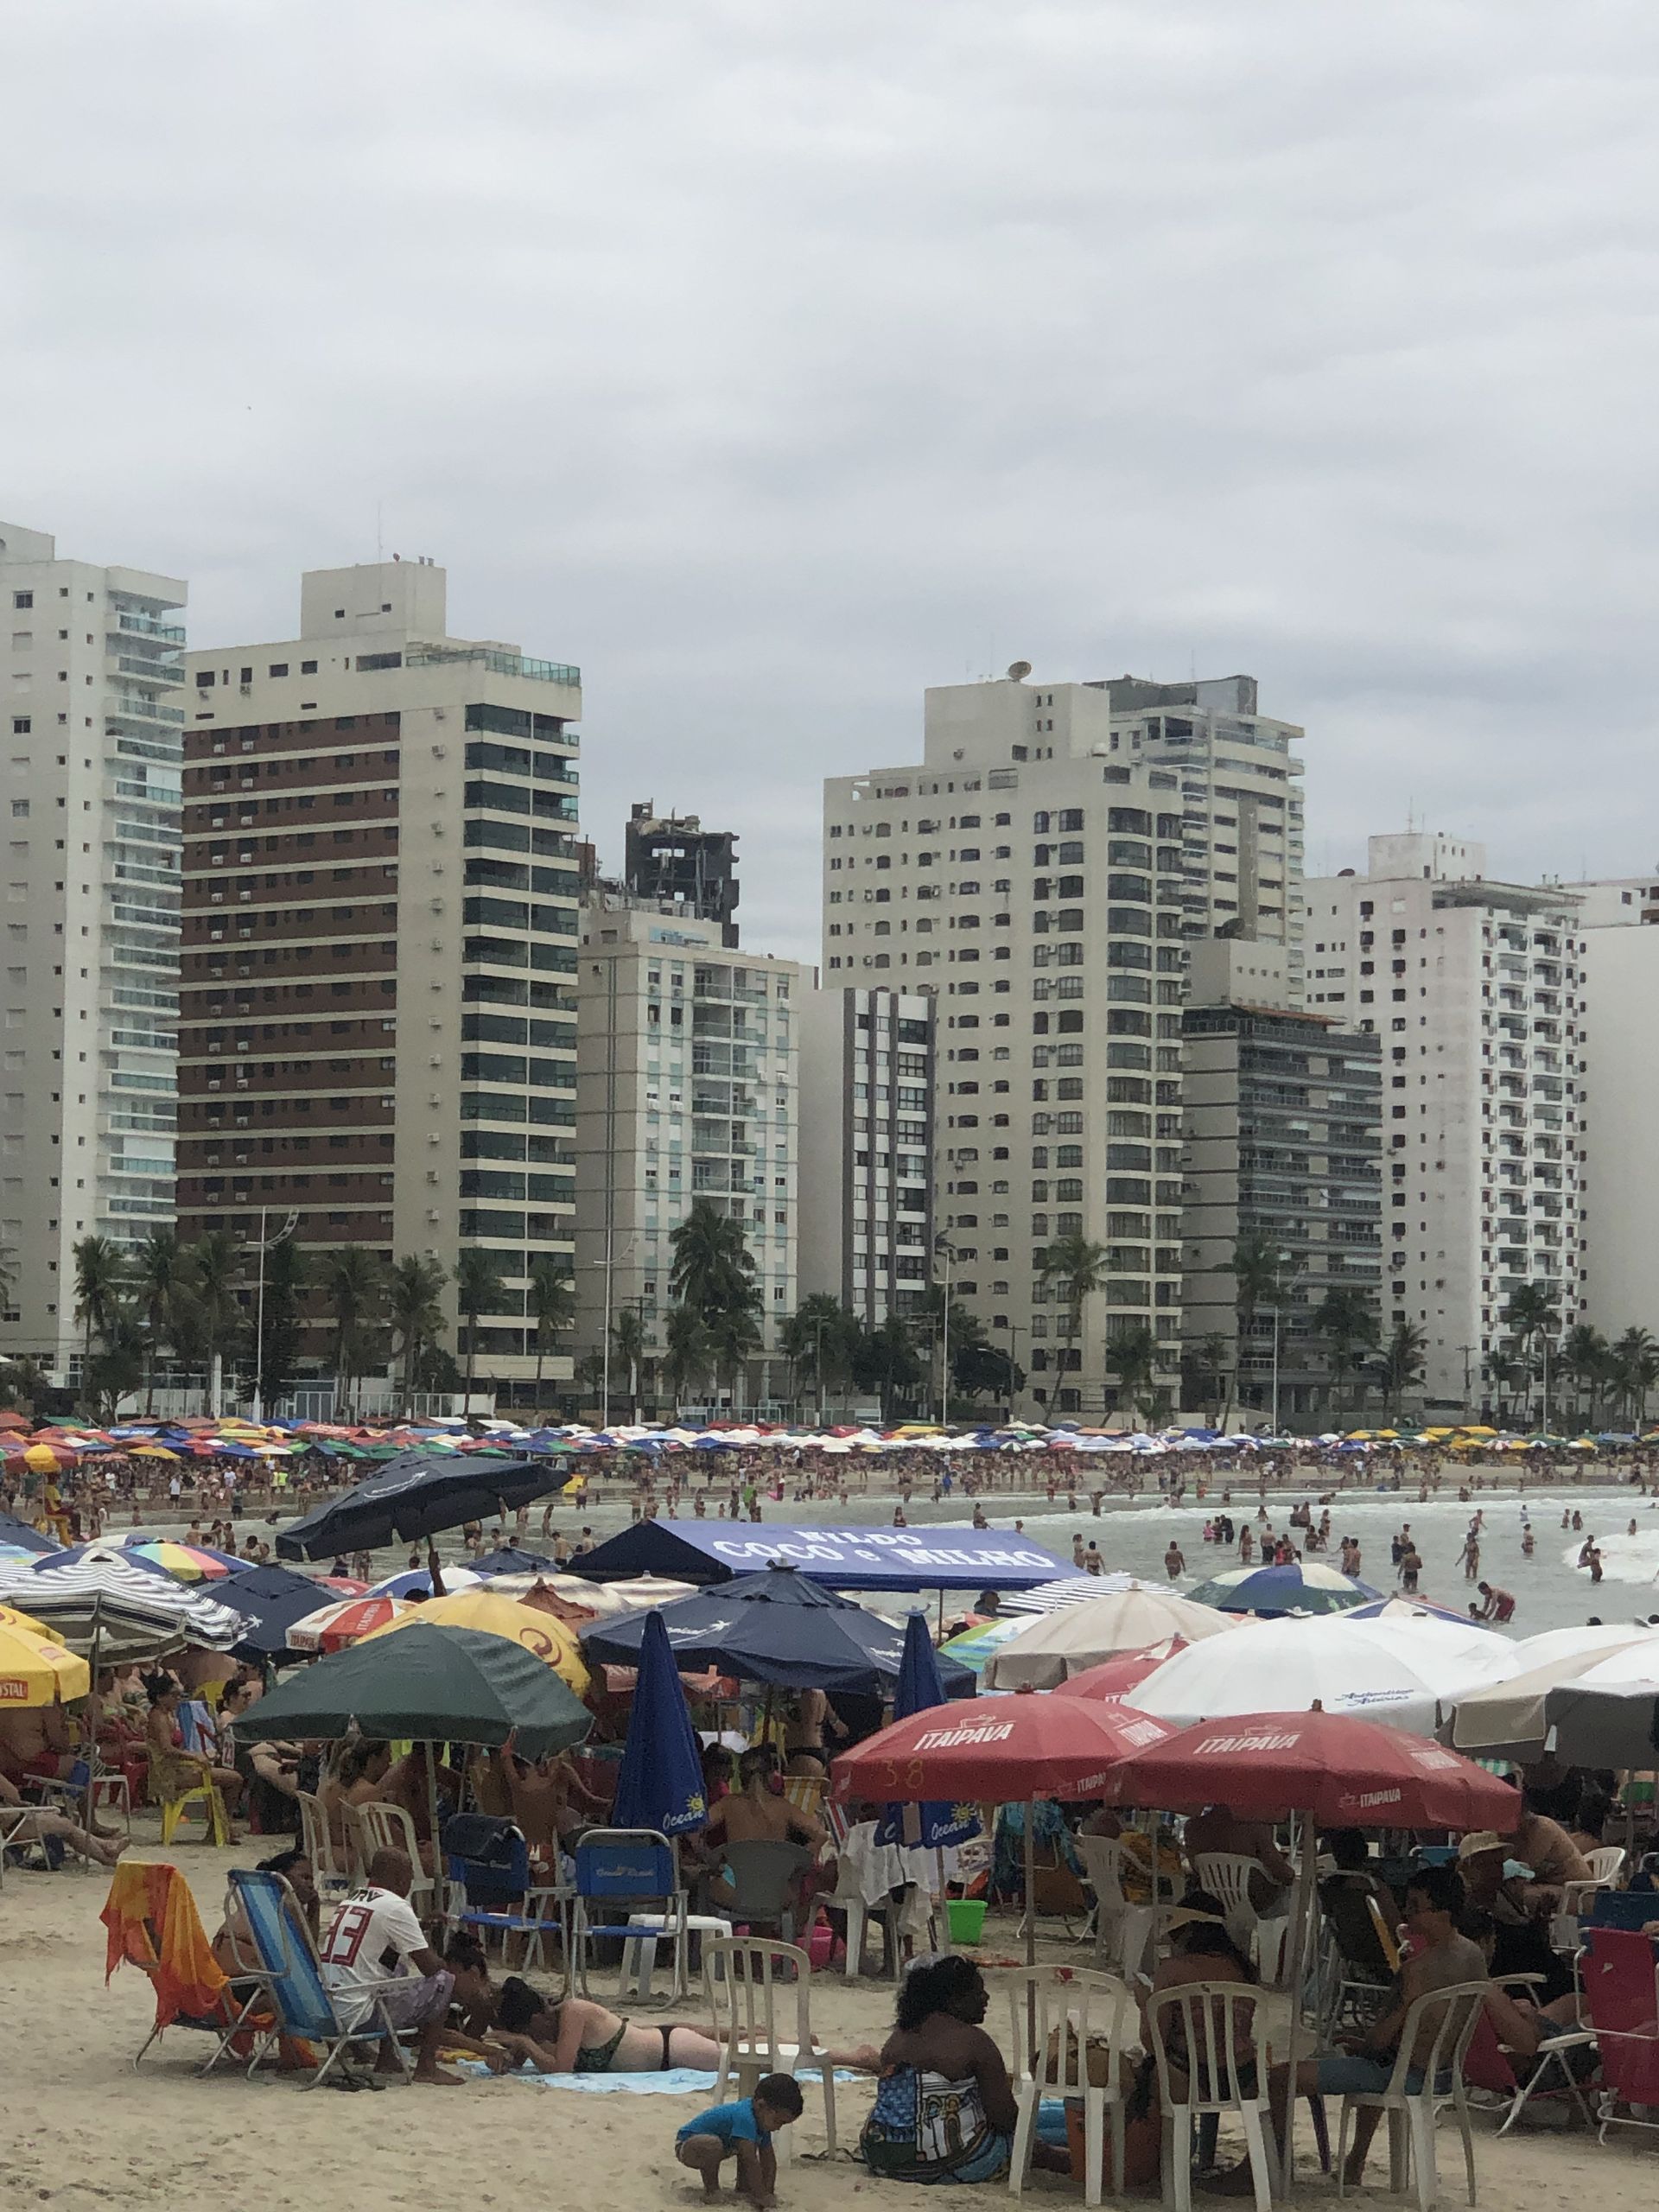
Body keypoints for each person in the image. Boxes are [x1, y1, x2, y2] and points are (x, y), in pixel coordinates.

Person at [1219, 1865, 1485, 2194]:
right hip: (1444, 2073)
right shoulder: (1474, 1955)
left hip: (1405, 2074)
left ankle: (1265, 2169)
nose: (1407, 1915)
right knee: (1375, 2061)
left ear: (1442, 1912)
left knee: (1280, 2078)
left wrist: (1365, 2042)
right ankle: (1355, 2161)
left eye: (1415, 1907)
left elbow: (1378, 2043)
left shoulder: (1416, 1969)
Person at [860, 1953, 1070, 2183]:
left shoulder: (898, 2037)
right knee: (1046, 2136)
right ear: (953, 2001)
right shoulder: (974, 2042)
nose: (986, 1998)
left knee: (1041, 2121)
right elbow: (1005, 2118)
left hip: (883, 2156)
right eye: (978, 1993)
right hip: (949, 2161)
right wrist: (1038, 2144)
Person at [315, 1846, 460, 2084]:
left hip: (328, 2004)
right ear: (400, 1877)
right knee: (445, 1980)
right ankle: (426, 2066)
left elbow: (377, 1933)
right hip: (358, 2014)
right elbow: (429, 1968)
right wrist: (440, 1957)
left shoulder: (353, 1897)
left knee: (395, 1968)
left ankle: (387, 2058)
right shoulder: (396, 1905)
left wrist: (418, 1926)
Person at [492, 1974, 726, 2071]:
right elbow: (518, 2062)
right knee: (741, 2044)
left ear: (536, 2018)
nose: (533, 2038)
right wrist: (506, 2059)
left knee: (744, 2056)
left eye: (528, 2032)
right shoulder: (542, 2034)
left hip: (671, 2049)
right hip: (660, 2046)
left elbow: (561, 2069)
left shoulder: (573, 2011)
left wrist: (523, 2041)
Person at [677, 2074, 804, 2209]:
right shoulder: (745, 2117)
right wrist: (761, 2196)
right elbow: (750, 2160)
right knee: (726, 2147)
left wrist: (768, 2192)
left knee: (745, 2147)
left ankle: (743, 2188)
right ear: (761, 2105)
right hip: (689, 2145)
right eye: (779, 2122)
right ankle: (711, 2191)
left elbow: (768, 2160)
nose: (778, 2127)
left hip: (719, 2145)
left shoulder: (761, 2120)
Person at [143, 1674, 243, 1841]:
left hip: (178, 1768)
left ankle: (220, 1827)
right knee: (235, 1779)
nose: (178, 1699)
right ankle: (222, 1827)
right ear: (161, 1697)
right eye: (174, 1695)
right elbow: (167, 1749)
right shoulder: (159, 1717)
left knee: (225, 1778)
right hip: (173, 1774)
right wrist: (195, 1756)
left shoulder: (165, 1714)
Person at [0, 1767, 125, 1868]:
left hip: (12, 1824)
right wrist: (20, 1803)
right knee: (65, 1824)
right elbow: (13, 1795)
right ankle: (106, 1856)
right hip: (16, 1826)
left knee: (65, 1826)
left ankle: (106, 1848)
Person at [1183, 1802, 1294, 1915]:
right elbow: (1277, 1867)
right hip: (1257, 1901)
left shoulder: (1193, 1828)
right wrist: (1291, 1877)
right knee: (1291, 1892)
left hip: (1210, 1900)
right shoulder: (1255, 1827)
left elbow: (1195, 1868)